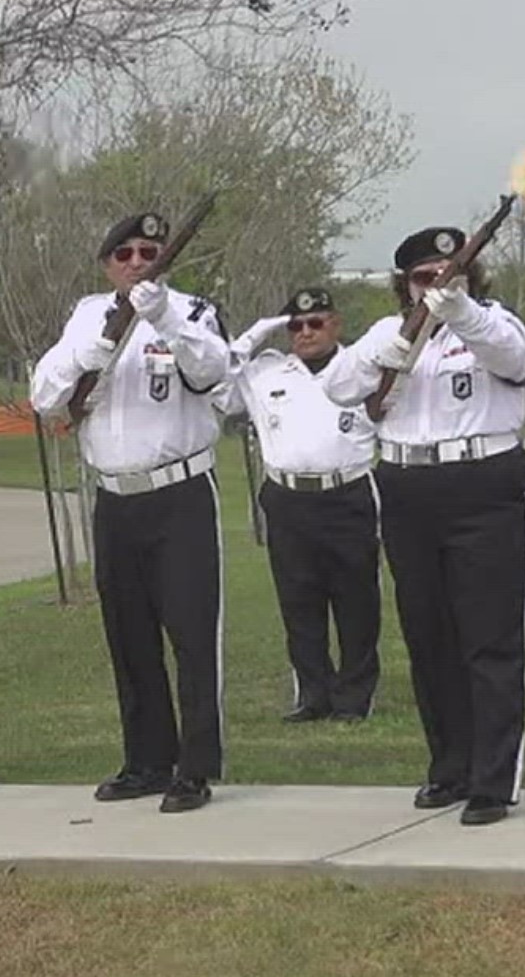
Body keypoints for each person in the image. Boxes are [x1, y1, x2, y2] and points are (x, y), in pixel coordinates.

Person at [322, 226, 525, 827]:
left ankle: (494, 781)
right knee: (429, 637)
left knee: (491, 639)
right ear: (405, 284)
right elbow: (338, 385)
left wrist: (461, 310)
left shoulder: (492, 321)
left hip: (484, 484)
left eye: (452, 274)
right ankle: (450, 767)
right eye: (425, 278)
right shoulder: (387, 333)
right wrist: (380, 354)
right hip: (408, 485)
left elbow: (513, 358)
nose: (438, 286)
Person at [29, 211, 231, 814]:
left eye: (149, 252)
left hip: (180, 495)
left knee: (193, 635)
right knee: (129, 636)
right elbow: (44, 397)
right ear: (107, 263)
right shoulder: (87, 316)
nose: (138, 263)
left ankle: (195, 768)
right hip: (115, 497)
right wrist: (82, 358)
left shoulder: (191, 311)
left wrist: (162, 315)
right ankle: (146, 759)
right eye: (126, 254)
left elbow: (214, 370)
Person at [214, 287, 381, 723]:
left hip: (347, 495)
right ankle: (312, 693)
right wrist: (253, 336)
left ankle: (355, 696)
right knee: (298, 600)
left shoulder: (360, 369)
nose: (305, 332)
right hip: (287, 499)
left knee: (356, 601)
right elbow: (217, 385)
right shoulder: (265, 372)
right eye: (295, 325)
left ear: (336, 324)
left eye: (316, 322)